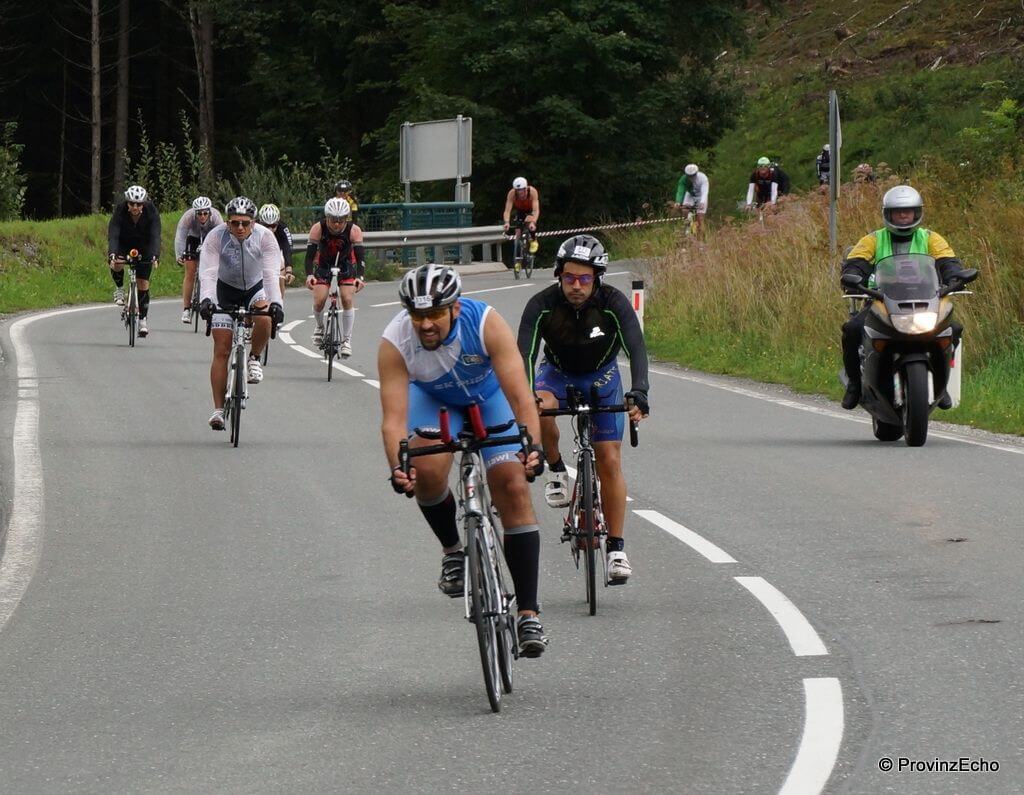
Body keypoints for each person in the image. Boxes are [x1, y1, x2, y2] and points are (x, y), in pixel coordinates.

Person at [379, 264, 548, 656]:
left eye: (435, 313)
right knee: (425, 468)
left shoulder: (485, 323)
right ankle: (453, 551)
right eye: (417, 315)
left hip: (490, 398)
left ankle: (528, 613)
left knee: (512, 485)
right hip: (436, 401)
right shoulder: (395, 341)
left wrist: (533, 447)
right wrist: (397, 467)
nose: (425, 324)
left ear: (455, 308)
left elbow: (521, 396)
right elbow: (393, 420)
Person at [517, 235, 650, 584]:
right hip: (556, 374)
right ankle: (556, 468)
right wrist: (525, 397)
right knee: (539, 406)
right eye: (569, 277)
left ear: (597, 278)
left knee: (609, 459)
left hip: (602, 376)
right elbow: (524, 355)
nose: (576, 286)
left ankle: (616, 549)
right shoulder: (542, 304)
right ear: (559, 275)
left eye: (585, 278)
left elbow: (636, 348)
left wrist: (639, 391)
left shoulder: (613, 303)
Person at [839, 185, 968, 410]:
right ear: (887, 214)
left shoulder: (931, 238)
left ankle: (941, 382)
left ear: (917, 212)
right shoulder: (873, 239)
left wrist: (956, 276)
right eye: (897, 212)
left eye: (907, 211)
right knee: (852, 329)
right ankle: (855, 384)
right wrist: (852, 276)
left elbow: (948, 261)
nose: (903, 215)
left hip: (927, 301)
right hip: (880, 300)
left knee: (952, 329)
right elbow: (856, 261)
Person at [197, 197, 284, 430]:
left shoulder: (265, 237)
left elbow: (270, 274)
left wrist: (277, 303)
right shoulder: (216, 237)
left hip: (255, 287)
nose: (240, 228)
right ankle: (218, 410)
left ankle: (254, 357)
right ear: (227, 222)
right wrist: (206, 300)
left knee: (264, 317)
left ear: (253, 222)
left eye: (245, 223)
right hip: (224, 290)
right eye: (235, 223)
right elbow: (208, 272)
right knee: (222, 350)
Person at [304, 197, 365, 357]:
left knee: (347, 298)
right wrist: (309, 275)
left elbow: (360, 257)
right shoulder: (318, 228)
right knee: (319, 300)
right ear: (327, 218)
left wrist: (360, 277)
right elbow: (309, 257)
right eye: (333, 220)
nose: (337, 224)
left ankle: (346, 340)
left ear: (346, 219)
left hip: (345, 264)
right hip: (324, 264)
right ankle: (319, 326)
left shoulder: (354, 230)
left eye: (341, 220)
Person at [107, 185, 161, 338]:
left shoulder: (151, 211)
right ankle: (119, 288)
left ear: (143, 204)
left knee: (143, 283)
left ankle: (143, 320)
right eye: (132, 204)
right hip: (124, 243)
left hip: (144, 245)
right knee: (117, 263)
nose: (135, 207)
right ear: (127, 203)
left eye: (138, 204)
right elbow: (114, 233)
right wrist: (112, 253)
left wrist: (155, 255)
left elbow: (155, 235)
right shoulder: (120, 210)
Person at [174, 196, 223, 324]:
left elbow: (222, 237)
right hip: (193, 238)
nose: (202, 216)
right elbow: (180, 236)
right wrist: (179, 255)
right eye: (199, 214)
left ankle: (212, 302)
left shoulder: (216, 217)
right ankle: (186, 309)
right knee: (190, 272)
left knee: (213, 272)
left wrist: (220, 255)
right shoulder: (188, 217)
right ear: (195, 213)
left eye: (205, 213)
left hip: (211, 238)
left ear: (209, 212)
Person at [257, 203, 295, 300]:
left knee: (280, 265)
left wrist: (288, 270)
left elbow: (287, 248)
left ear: (277, 223)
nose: (270, 229)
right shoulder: (254, 227)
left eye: (273, 226)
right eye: (266, 226)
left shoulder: (282, 227)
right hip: (258, 252)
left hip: (276, 252)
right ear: (260, 223)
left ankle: (279, 301)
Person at [502, 176, 540, 255]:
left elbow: (536, 210)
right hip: (520, 210)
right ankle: (518, 254)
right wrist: (506, 222)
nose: (521, 195)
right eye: (518, 192)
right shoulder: (511, 194)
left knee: (529, 221)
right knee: (517, 231)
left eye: (523, 192)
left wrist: (533, 222)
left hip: (531, 210)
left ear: (526, 189)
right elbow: (507, 211)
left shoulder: (532, 192)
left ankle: (533, 240)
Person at [674, 163, 709, 237]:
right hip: (690, 194)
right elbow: (680, 191)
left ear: (696, 173)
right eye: (689, 176)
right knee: (685, 210)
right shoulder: (683, 179)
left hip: (701, 196)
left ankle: (701, 237)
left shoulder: (703, 178)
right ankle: (687, 227)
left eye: (693, 175)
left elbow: (705, 191)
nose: (691, 177)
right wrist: (678, 202)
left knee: (700, 217)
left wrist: (702, 202)